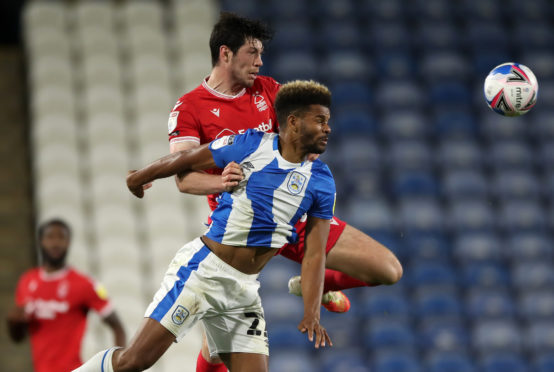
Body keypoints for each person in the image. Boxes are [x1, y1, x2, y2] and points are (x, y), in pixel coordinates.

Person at [167, 12, 403, 372]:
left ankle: (316, 284)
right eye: (252, 53)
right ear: (226, 54)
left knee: (387, 269)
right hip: (239, 232)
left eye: (261, 53)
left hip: (294, 216)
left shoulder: (268, 91)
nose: (260, 62)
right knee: (215, 349)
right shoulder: (190, 108)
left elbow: (300, 139)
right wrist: (221, 182)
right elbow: (183, 178)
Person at [75, 80, 335, 372]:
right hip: (203, 272)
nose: (327, 128)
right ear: (294, 122)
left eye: (328, 121)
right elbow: (187, 158)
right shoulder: (251, 144)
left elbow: (314, 253)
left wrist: (312, 313)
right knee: (133, 362)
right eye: (320, 120)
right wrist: (138, 177)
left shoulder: (322, 181)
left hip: (244, 290)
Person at [6, 219, 126, 372]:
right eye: (50, 237)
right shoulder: (27, 281)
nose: (55, 243)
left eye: (61, 237)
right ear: (41, 241)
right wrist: (13, 324)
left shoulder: (84, 284)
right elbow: (17, 338)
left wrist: (119, 367)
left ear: (68, 242)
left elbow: (118, 327)